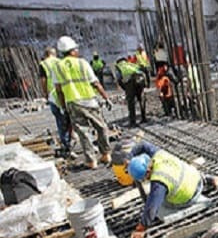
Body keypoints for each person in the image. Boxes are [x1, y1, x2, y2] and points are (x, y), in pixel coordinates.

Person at [126, 141, 218, 238]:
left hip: (189, 196)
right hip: (196, 178)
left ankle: (187, 193)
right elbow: (143, 145)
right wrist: (129, 157)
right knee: (178, 171)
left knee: (158, 199)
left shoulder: (159, 182)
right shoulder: (158, 154)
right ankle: (208, 179)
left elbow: (151, 209)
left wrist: (141, 228)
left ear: (147, 173)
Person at [53, 36, 113, 169]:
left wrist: (63, 107)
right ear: (72, 51)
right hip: (90, 101)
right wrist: (106, 97)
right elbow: (96, 83)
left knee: (83, 132)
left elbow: (59, 90)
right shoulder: (82, 63)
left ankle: (91, 161)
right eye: (76, 48)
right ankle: (106, 154)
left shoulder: (58, 67)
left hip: (73, 103)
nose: (77, 50)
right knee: (101, 127)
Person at [39, 47, 71, 156]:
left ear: (46, 54)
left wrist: (45, 93)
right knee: (69, 117)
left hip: (53, 94)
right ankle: (71, 138)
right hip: (65, 92)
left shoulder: (43, 64)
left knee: (59, 119)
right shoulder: (61, 61)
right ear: (54, 54)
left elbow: (43, 80)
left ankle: (66, 144)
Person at [115, 57, 147, 128]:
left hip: (129, 83)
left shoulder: (118, 67)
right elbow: (142, 72)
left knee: (131, 102)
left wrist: (125, 89)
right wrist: (144, 85)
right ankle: (144, 118)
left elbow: (119, 79)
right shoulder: (131, 64)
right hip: (139, 80)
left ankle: (133, 122)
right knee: (141, 99)